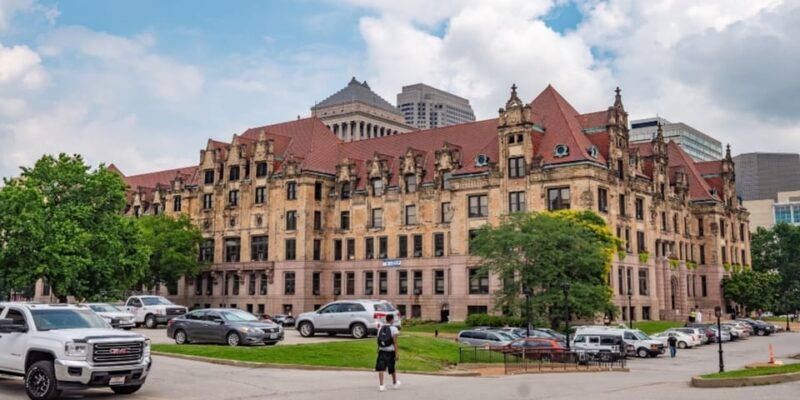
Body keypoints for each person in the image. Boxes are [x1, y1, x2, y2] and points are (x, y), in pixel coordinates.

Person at [376, 314, 400, 392]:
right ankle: (394, 383)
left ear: (386, 319)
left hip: (382, 351)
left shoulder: (380, 328)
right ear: (392, 320)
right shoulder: (394, 329)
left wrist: (378, 349)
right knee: (392, 368)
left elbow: (378, 340)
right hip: (390, 351)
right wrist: (397, 353)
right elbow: (395, 342)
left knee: (381, 368)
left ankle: (381, 386)